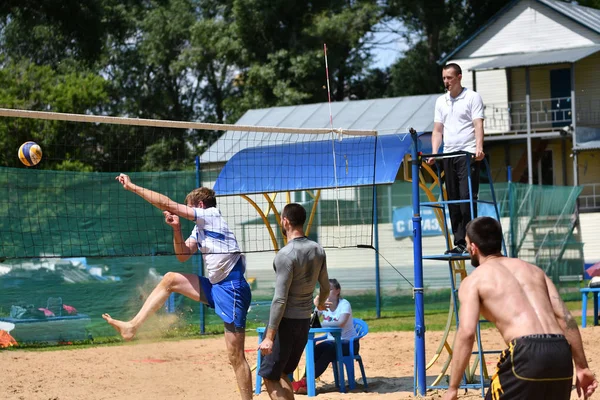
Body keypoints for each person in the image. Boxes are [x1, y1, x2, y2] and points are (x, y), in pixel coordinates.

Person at [102, 174, 253, 400]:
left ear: (199, 206)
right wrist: (176, 229)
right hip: (215, 286)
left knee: (235, 356)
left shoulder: (210, 215)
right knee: (170, 279)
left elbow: (166, 204)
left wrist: (132, 187)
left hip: (232, 289)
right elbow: (182, 256)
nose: (184, 211)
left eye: (188, 208)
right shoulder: (199, 228)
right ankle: (132, 326)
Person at [442, 217, 598, 400]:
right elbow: (566, 319)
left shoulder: (474, 281)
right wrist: (581, 366)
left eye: (467, 244)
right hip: (560, 353)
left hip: (526, 353)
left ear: (474, 247)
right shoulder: (535, 271)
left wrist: (453, 388)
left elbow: (467, 332)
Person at [258, 203, 330, 400]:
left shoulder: (285, 255)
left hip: (285, 323)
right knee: (282, 374)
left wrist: (269, 337)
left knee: (270, 377)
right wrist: (320, 303)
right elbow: (325, 288)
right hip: (303, 322)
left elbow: (280, 299)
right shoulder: (318, 250)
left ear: (285, 221)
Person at [427, 63, 485, 254]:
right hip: (448, 155)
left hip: (466, 154)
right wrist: (435, 153)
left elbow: (478, 125)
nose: (446, 82)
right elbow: (437, 130)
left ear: (459, 77)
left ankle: (472, 242)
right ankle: (460, 242)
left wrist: (479, 149)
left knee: (465, 199)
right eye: (444, 78)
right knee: (452, 200)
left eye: (449, 78)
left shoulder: (472, 97)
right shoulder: (441, 101)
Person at [291, 278, 358, 394]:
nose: (325, 293)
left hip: (348, 343)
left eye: (329, 289)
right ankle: (306, 382)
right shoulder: (324, 305)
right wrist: (317, 306)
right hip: (332, 342)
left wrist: (321, 324)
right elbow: (312, 321)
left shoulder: (344, 304)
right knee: (316, 350)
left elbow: (340, 323)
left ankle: (306, 382)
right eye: (323, 290)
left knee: (329, 350)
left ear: (337, 291)